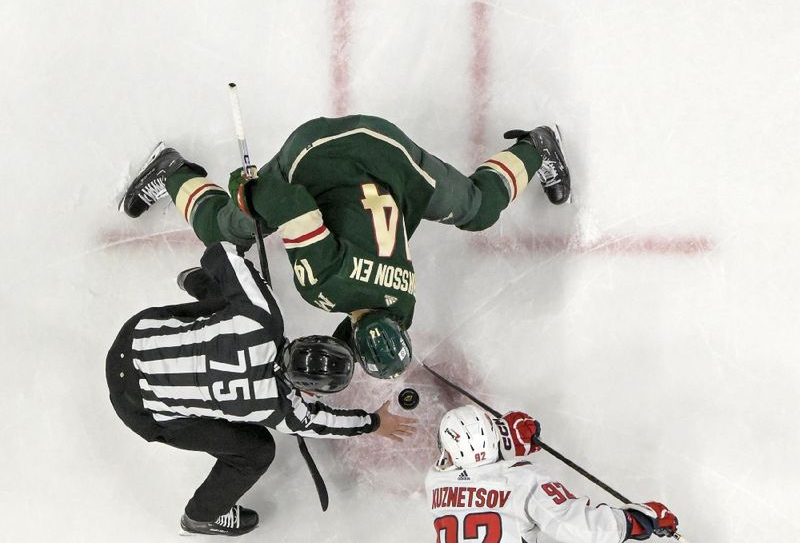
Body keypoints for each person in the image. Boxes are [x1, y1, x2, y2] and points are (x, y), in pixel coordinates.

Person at [119, 115, 571, 379]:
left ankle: (536, 147)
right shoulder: (324, 287)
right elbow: (290, 203)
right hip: (317, 153)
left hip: (388, 149)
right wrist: (248, 193)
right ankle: (173, 170)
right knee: (230, 231)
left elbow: (370, 314)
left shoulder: (402, 304)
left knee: (477, 207)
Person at [107, 188, 417, 535]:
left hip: (135, 338)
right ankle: (201, 516)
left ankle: (197, 282)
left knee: (229, 312)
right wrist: (375, 422)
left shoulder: (262, 317)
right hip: (137, 408)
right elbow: (325, 423)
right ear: (305, 389)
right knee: (255, 451)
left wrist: (253, 210)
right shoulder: (283, 408)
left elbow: (221, 251)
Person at [426, 405, 679, 543]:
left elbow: (470, 465)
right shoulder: (522, 482)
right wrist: (638, 521)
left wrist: (506, 439)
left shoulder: (435, 484)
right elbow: (580, 530)